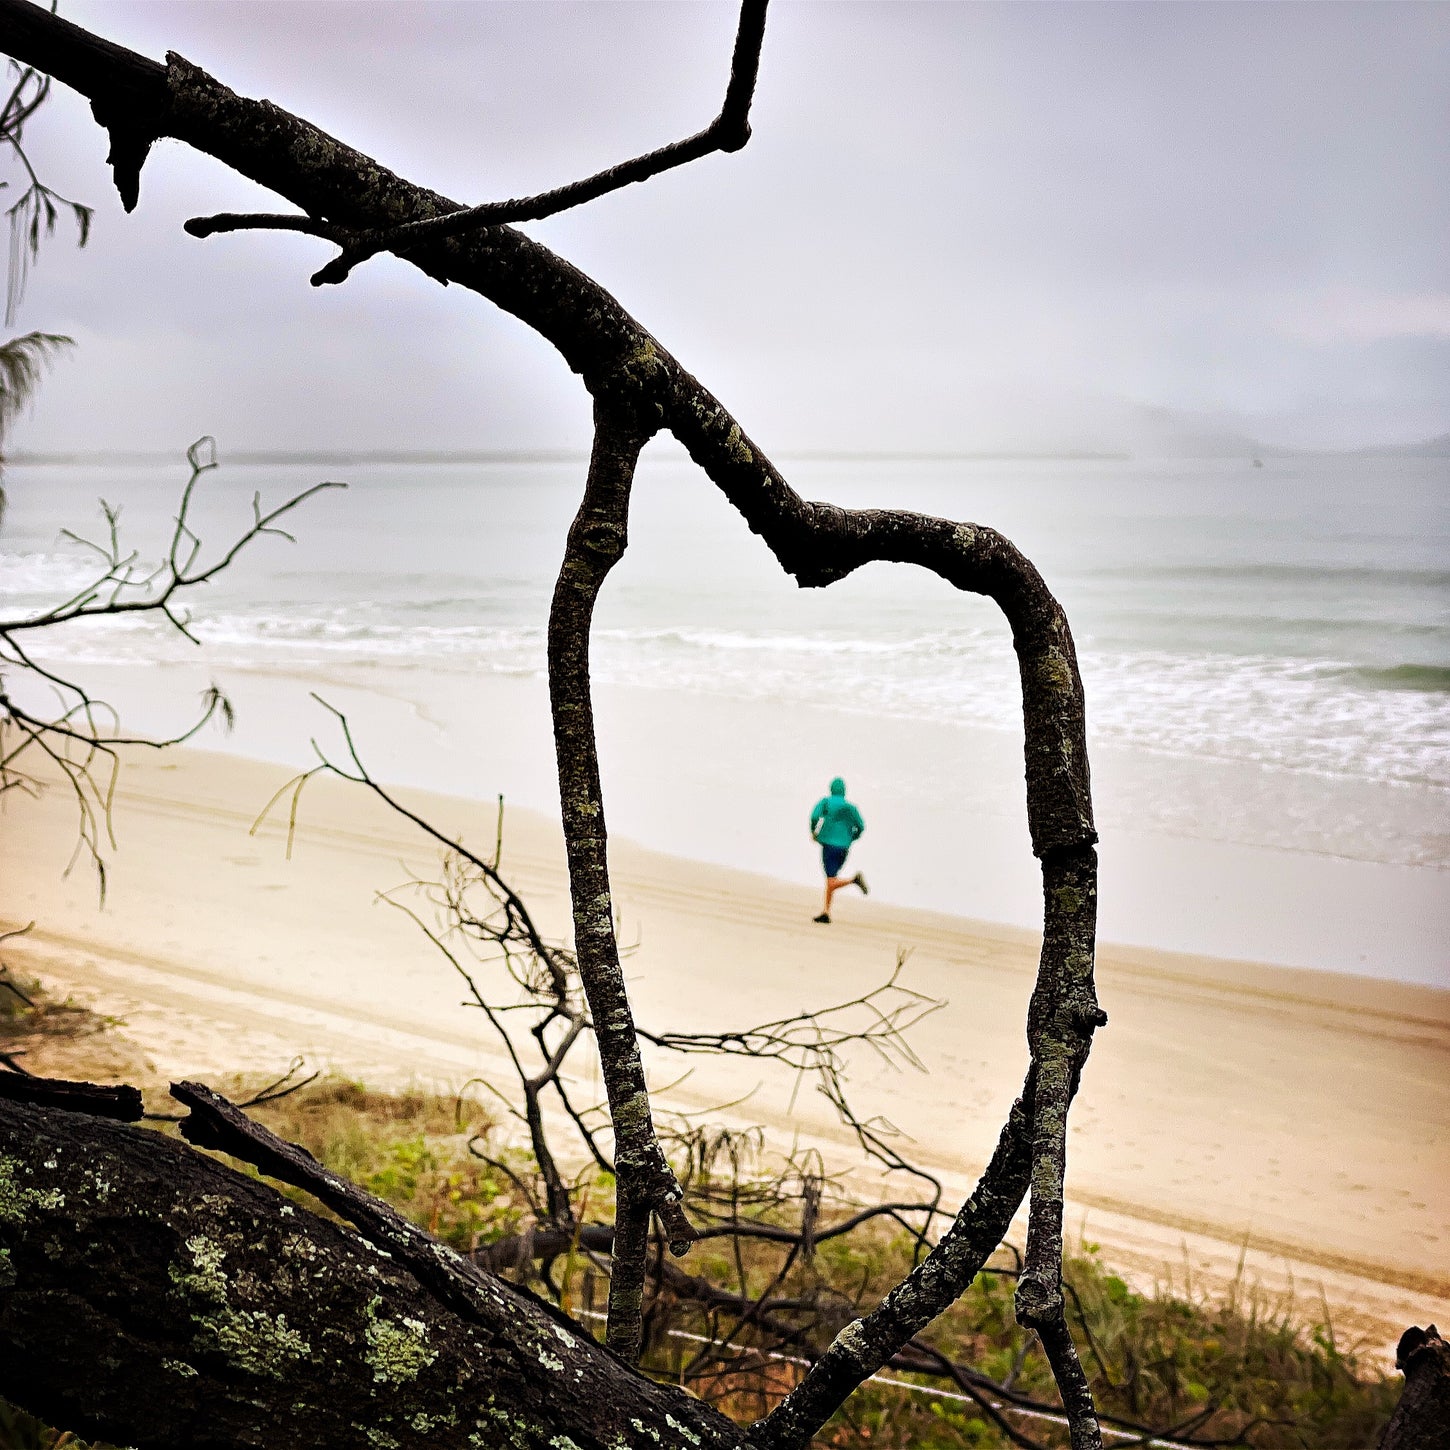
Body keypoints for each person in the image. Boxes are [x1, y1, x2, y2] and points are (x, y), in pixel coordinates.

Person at [809, 776, 868, 923]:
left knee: (831, 880)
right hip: (844, 847)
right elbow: (861, 826)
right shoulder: (851, 808)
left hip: (829, 845)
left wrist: (815, 832)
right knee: (831, 878)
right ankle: (826, 912)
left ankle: (854, 880)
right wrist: (852, 837)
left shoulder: (826, 803)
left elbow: (815, 816)